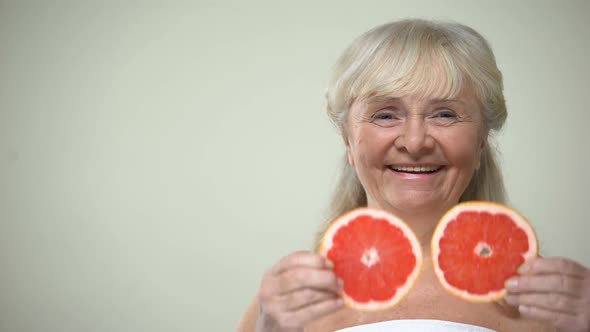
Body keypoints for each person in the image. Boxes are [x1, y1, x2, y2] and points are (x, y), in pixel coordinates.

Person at [237, 19, 590, 332]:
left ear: (482, 138)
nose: (415, 142)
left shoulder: (549, 294)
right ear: (347, 138)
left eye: (445, 114)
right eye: (386, 115)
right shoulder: (295, 295)